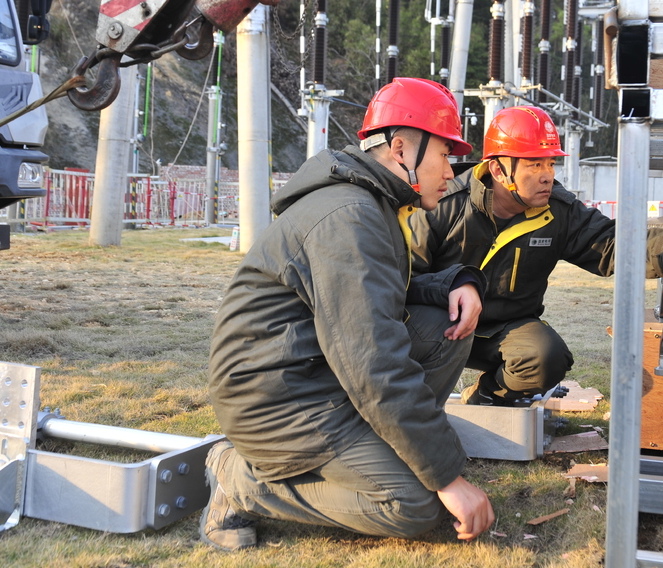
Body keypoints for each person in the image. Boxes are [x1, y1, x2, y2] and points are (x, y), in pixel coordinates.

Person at [203, 78, 494, 551]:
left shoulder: (370, 203)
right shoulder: (350, 216)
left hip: (311, 372)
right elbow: (371, 359)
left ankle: (393, 447)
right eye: (444, 153)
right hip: (277, 397)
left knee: (444, 326)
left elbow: (379, 295)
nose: (452, 169)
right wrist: (446, 478)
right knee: (415, 504)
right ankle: (241, 479)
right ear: (402, 148)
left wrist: (454, 283)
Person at [409, 105, 663, 406]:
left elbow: (610, 241)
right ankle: (413, 403)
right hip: (442, 322)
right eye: (534, 164)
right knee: (402, 332)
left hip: (505, 331)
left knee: (546, 357)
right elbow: (404, 276)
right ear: (499, 170)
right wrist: (452, 286)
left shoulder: (558, 212)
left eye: (551, 163)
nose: (547, 176)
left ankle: (486, 396)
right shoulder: (443, 204)